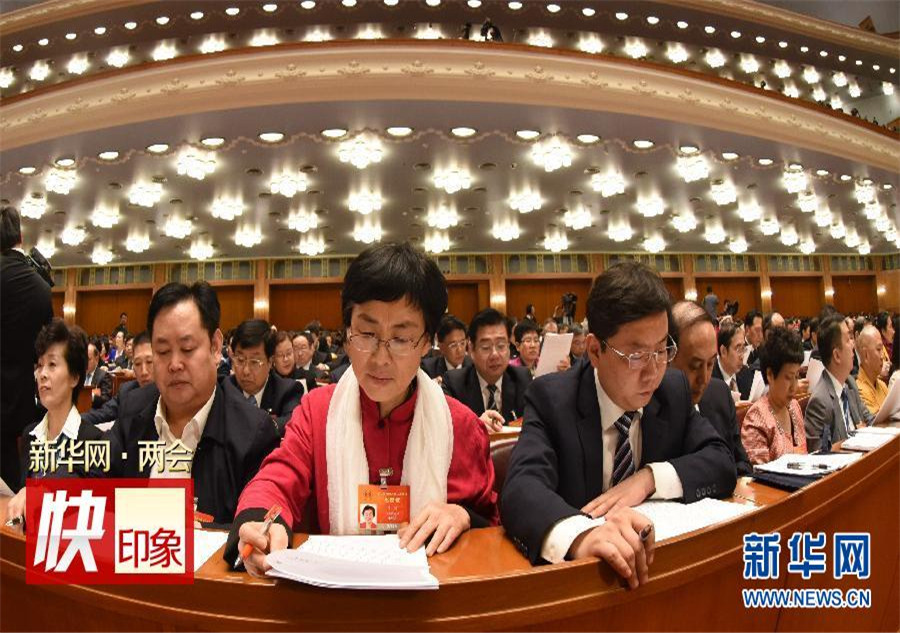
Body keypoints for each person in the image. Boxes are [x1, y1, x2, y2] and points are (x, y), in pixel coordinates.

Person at [229, 243, 498, 576]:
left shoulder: (460, 425)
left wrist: (463, 515)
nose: (380, 358)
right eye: (367, 334)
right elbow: (278, 478)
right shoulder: (318, 412)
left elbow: (491, 522)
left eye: (401, 339)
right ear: (346, 333)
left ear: (427, 343)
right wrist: (260, 524)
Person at [502, 262, 736, 586]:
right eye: (636, 356)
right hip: (582, 585)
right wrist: (582, 535)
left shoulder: (671, 390)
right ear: (595, 351)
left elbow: (721, 461)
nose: (653, 372)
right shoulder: (552, 400)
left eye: (661, 350)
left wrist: (649, 479)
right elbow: (521, 489)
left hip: (659, 573)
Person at [99, 281, 281, 523]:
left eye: (187, 348)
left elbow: (257, 523)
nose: (175, 364)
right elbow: (91, 472)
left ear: (215, 347)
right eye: (163, 352)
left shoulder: (252, 432)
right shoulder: (135, 408)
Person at [6, 319, 103, 522]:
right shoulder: (30, 435)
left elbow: (91, 507)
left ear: (75, 377)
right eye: (40, 365)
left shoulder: (94, 440)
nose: (42, 374)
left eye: (52, 364)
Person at [1, 205, 54, 490]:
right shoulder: (41, 288)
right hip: (20, 399)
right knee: (15, 481)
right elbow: (46, 347)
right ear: (20, 236)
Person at [670, 302, 751, 476]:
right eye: (695, 366)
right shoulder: (651, 407)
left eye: (710, 364)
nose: (704, 378)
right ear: (669, 356)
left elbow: (742, 463)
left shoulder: (720, 394)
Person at [442, 308, 532, 432]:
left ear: (509, 347)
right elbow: (448, 430)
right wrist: (475, 425)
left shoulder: (522, 378)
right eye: (486, 347)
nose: (495, 354)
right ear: (471, 349)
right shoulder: (454, 384)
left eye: (501, 346)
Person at [805, 314, 874, 452]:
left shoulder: (850, 383)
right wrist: (856, 437)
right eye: (848, 339)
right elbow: (820, 454)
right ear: (836, 355)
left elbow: (870, 420)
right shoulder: (820, 402)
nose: (853, 344)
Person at [224, 318, 304, 435]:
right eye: (240, 360)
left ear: (270, 361)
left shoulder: (288, 390)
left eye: (254, 362)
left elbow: (290, 422)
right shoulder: (224, 388)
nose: (246, 371)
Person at [740, 327, 806, 465]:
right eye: (788, 377)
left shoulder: (794, 407)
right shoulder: (757, 418)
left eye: (797, 376)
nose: (794, 386)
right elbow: (760, 474)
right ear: (770, 375)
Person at [82, 331, 154, 426]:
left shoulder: (168, 393)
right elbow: (104, 413)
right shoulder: (126, 391)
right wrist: (74, 420)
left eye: (149, 362)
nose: (144, 371)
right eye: (137, 364)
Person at [713, 320, 754, 401]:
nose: (742, 356)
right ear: (723, 351)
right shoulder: (710, 379)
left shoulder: (745, 373)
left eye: (743, 348)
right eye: (738, 349)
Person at [421, 314, 471, 379]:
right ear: (441, 347)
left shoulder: (475, 366)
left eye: (462, 343)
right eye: (453, 345)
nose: (460, 350)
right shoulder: (428, 369)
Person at [855, 325, 889, 415]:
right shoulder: (858, 390)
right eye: (878, 349)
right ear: (866, 355)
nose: (882, 356)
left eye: (882, 349)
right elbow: (875, 420)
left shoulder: (882, 386)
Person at [84, 341, 113, 409]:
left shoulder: (104, 376)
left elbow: (106, 400)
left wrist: (90, 396)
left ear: (96, 359)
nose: (85, 362)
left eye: (88, 359)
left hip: (94, 411)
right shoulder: (80, 375)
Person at [874, 311, 894, 376]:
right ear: (883, 331)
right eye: (890, 327)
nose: (893, 331)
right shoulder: (878, 349)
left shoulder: (893, 344)